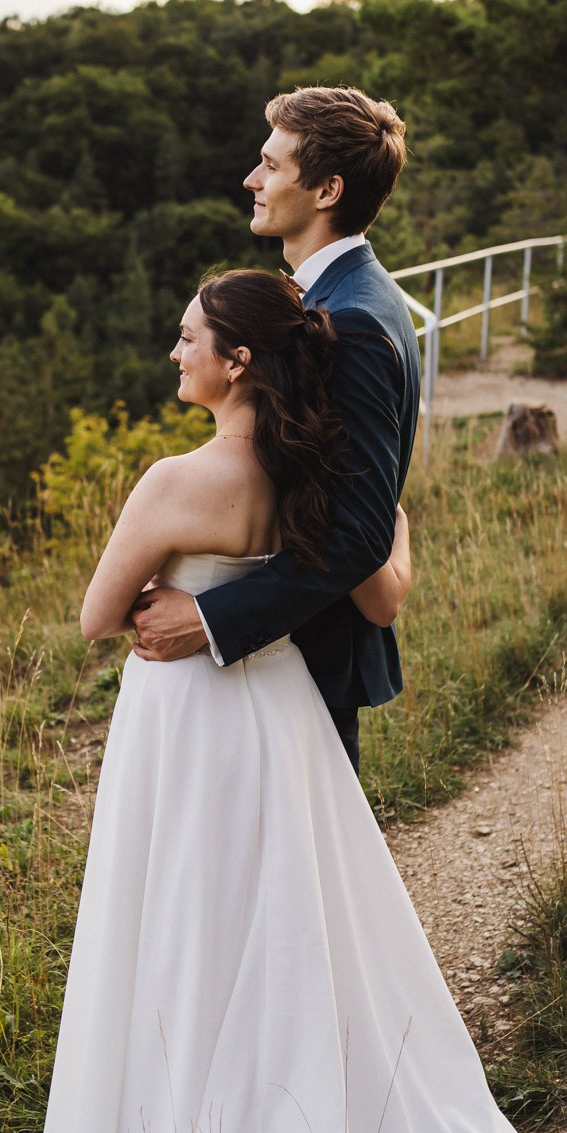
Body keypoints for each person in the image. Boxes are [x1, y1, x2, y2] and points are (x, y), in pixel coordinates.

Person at [19, 269, 553, 1133]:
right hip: (274, 714)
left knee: (179, 922)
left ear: (238, 360)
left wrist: (152, 595)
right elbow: (379, 581)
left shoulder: (174, 481)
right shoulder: (303, 473)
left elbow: (94, 615)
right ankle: (285, 1132)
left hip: (182, 721)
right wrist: (392, 537)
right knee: (276, 930)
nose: (174, 353)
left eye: (188, 339)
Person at [131, 85, 420, 777]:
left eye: (272, 165)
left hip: (308, 654)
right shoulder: (343, 295)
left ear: (327, 190)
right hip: (290, 654)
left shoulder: (350, 321)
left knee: (311, 875)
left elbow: (355, 534)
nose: (250, 180)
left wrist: (209, 619)